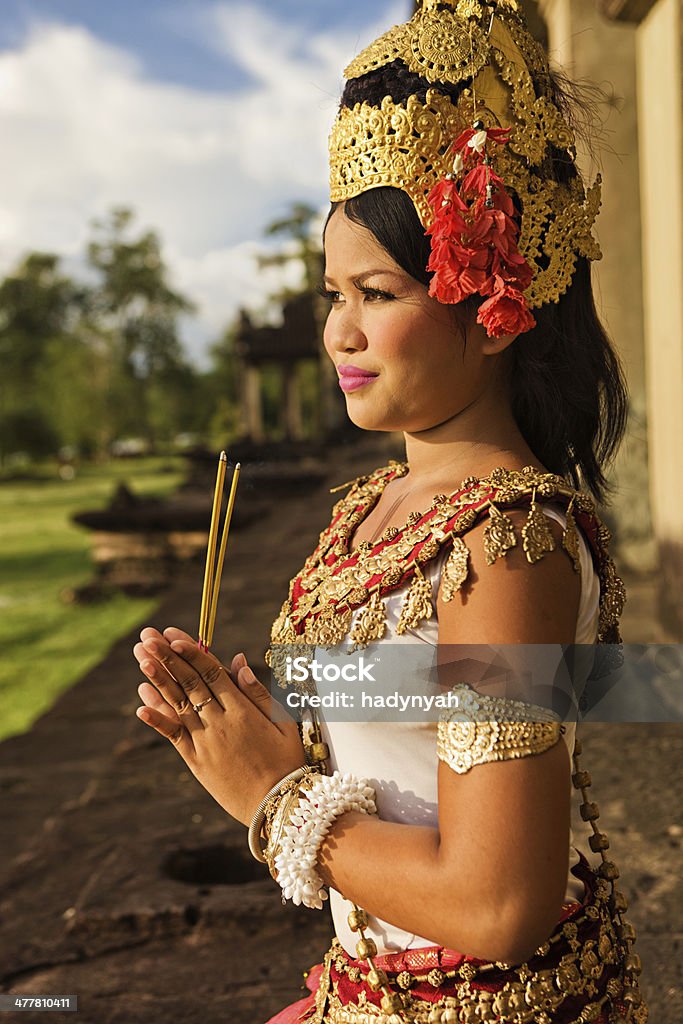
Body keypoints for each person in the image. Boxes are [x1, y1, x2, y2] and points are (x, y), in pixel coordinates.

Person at [132, 2, 648, 1021]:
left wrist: (272, 800)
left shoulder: (505, 546)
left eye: (377, 292)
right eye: (333, 292)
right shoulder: (372, 509)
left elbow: (498, 903)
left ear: (492, 305)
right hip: (366, 987)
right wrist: (251, 732)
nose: (339, 333)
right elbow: (398, 743)